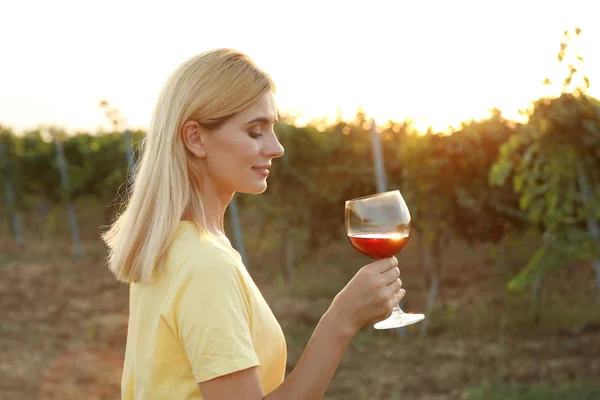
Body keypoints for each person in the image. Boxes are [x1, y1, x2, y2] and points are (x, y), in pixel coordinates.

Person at [102, 48, 405, 400]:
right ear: (195, 138)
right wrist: (341, 320)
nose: (276, 148)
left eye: (272, 129)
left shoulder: (174, 247)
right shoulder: (205, 265)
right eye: (255, 131)